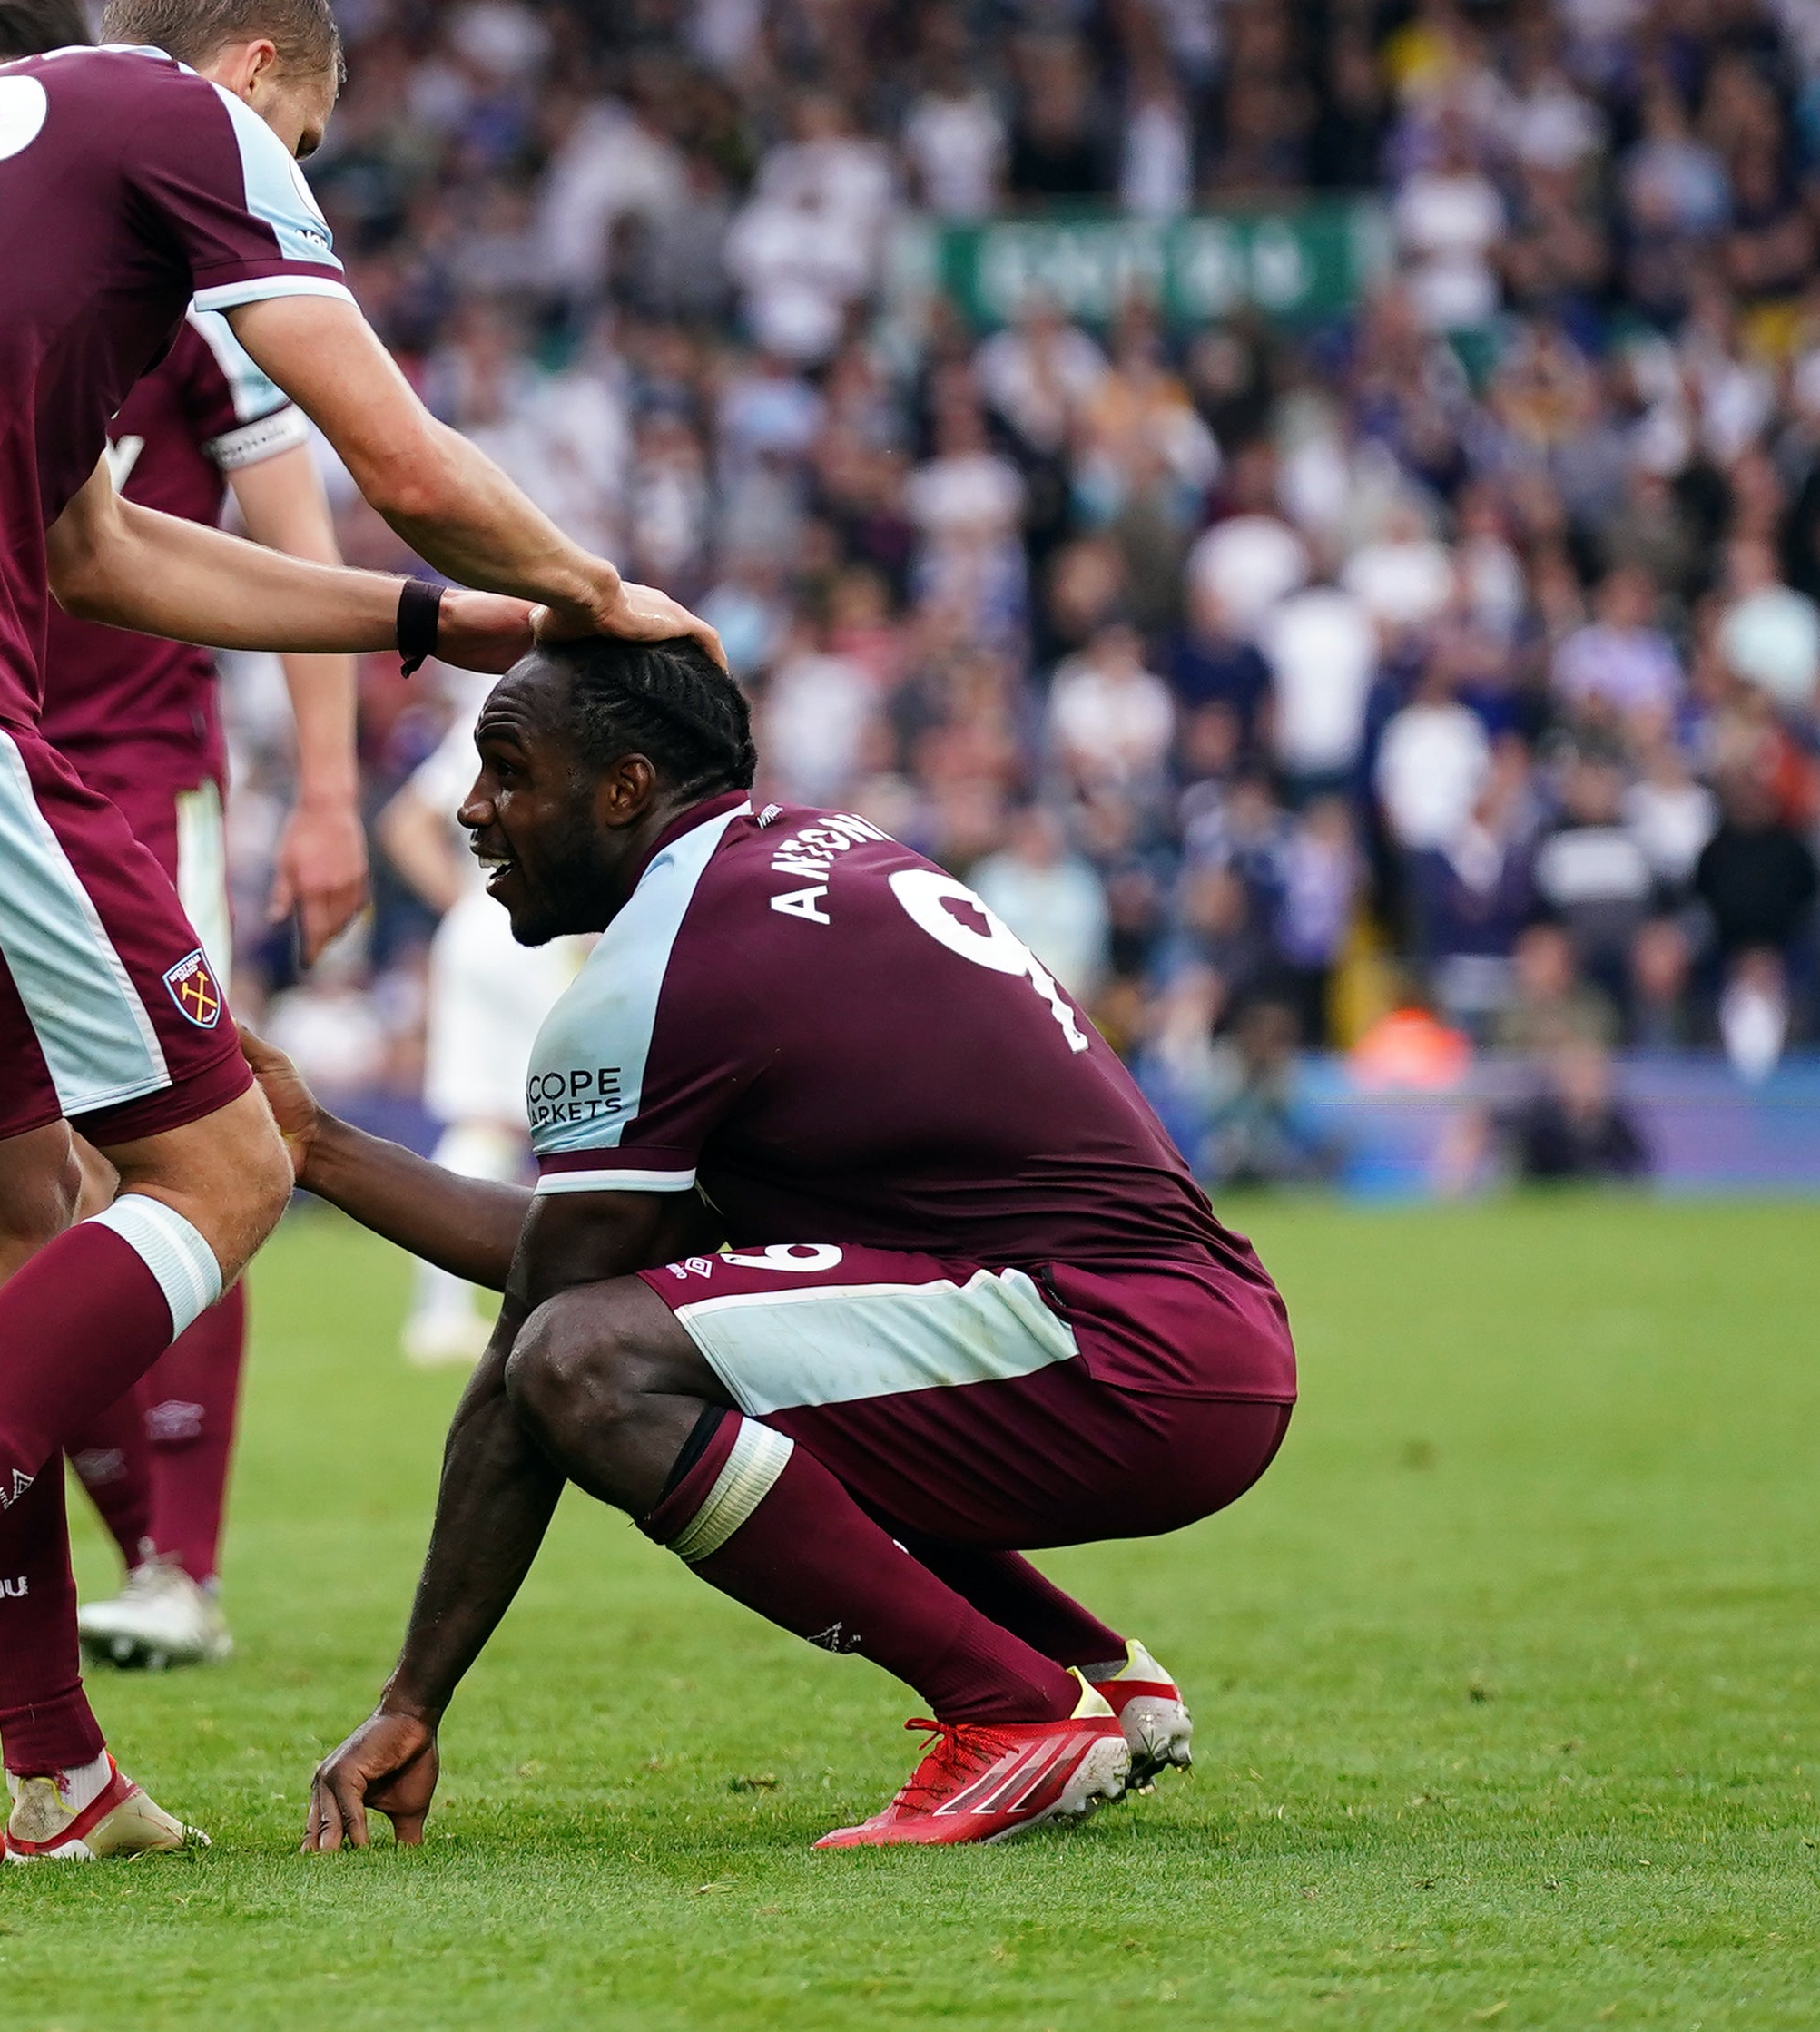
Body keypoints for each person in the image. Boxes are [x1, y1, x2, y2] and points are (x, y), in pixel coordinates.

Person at [0, 0, 710, 1867]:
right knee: (219, 1170)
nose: (290, 169)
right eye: (302, 128)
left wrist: (426, 622)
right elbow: (391, 445)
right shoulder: (177, 118)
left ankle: (50, 1766)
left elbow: (93, 549)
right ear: (250, 73)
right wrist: (591, 591)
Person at [279, 637, 1296, 1852]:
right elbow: (610, 1258)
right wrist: (318, 1142)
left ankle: (1011, 1707)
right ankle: (1072, 1664)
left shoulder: (666, 966)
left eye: (508, 770)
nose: (472, 807)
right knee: (671, 1342)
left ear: (623, 788)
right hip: (1182, 1322)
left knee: (588, 1361)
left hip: (1117, 1346)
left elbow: (548, 1339)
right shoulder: (802, 850)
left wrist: (413, 1696)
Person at [0, 0, 377, 1681]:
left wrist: (329, 790)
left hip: (114, 765)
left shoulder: (181, 269)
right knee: (16, 1192)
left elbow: (298, 515)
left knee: (179, 1145)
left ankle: (168, 1567)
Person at [378, 683, 584, 1366]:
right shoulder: (588, 709)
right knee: (572, 1118)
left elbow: (404, 824)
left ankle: (440, 1312)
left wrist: (469, 905)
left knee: (487, 1125)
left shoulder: (490, 713)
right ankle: (573, 1301)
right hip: (540, 932)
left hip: (482, 926)